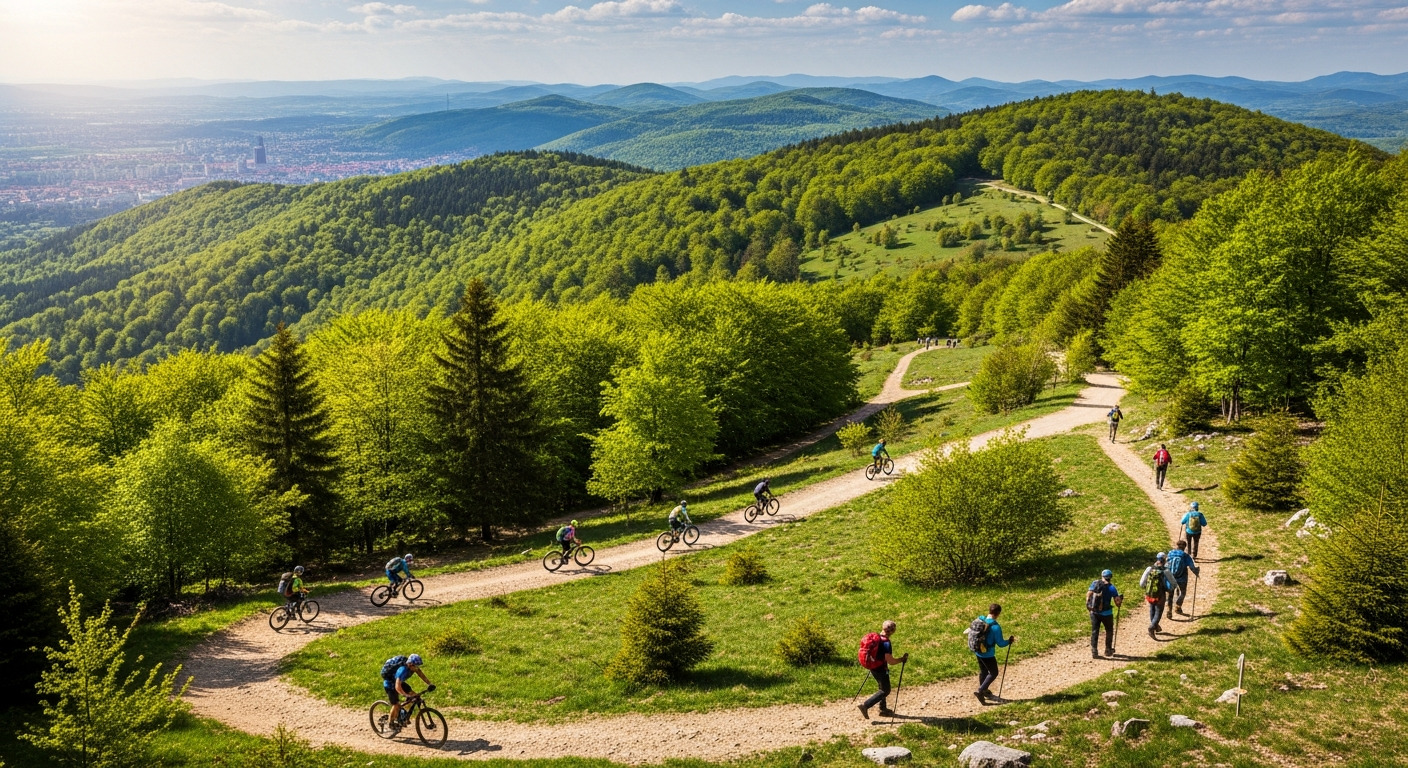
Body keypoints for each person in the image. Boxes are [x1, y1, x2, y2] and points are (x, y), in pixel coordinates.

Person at [859, 620, 908, 719]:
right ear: (893, 631)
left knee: (881, 686)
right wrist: (902, 659)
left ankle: (883, 709)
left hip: (872, 666)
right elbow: (890, 661)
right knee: (886, 690)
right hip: (880, 668)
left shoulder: (875, 638)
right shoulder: (886, 643)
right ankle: (865, 705)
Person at [972, 603, 1016, 703]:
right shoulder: (996, 627)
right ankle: (981, 691)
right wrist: (1009, 641)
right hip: (988, 654)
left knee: (983, 671)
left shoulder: (980, 619)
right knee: (994, 672)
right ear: (998, 613)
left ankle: (984, 691)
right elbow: (1000, 643)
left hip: (978, 651)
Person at [384, 653, 434, 731]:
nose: (417, 667)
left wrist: (430, 684)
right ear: (410, 664)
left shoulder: (412, 667)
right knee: (396, 704)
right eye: (416, 666)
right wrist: (405, 694)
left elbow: (420, 674)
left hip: (399, 683)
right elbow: (397, 686)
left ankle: (403, 716)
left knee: (415, 696)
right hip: (390, 683)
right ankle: (390, 723)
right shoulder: (402, 670)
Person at [1087, 569, 1123, 658]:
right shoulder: (1112, 588)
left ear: (1102, 576)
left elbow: (1089, 594)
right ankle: (1108, 650)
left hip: (1094, 612)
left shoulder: (1095, 583)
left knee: (1095, 631)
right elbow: (1117, 602)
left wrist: (1089, 606)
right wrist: (1120, 600)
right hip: (1107, 613)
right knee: (1109, 630)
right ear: (1110, 577)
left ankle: (1094, 651)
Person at [1139, 552, 1174, 637]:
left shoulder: (1149, 568)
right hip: (1160, 595)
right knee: (1159, 611)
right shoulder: (1165, 570)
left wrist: (1146, 587)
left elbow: (1141, 583)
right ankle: (1152, 627)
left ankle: (1155, 626)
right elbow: (1173, 583)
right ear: (1165, 560)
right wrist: (1169, 589)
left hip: (1150, 594)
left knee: (1152, 609)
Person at [1166, 540, 1200, 615]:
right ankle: (1178, 607)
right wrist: (1197, 571)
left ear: (1177, 545)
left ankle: (1169, 610)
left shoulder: (1170, 553)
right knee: (1183, 592)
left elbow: (1166, 564)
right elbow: (1192, 567)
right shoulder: (1185, 556)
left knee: (1170, 594)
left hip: (1171, 577)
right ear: (1185, 547)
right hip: (1182, 578)